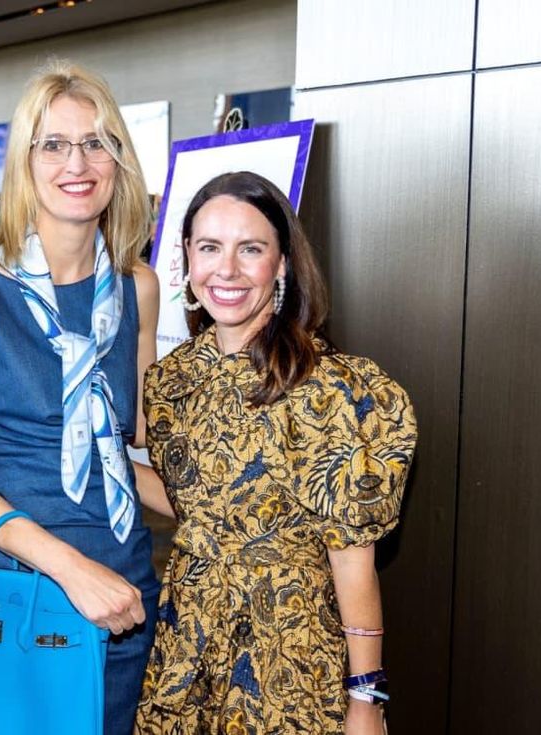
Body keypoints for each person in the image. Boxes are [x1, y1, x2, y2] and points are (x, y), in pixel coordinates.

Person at [0, 60, 171, 735]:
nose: (78, 161)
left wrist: (222, 507)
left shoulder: (138, 287)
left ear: (118, 160)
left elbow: (128, 449)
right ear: (24, 162)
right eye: (55, 144)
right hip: (19, 588)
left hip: (125, 585)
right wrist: (75, 573)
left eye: (97, 142)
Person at [134, 172, 416, 735]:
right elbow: (199, 504)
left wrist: (368, 697)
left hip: (289, 654)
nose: (227, 269)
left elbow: (352, 561)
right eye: (209, 247)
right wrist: (102, 465)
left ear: (282, 263)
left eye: (251, 249)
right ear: (187, 259)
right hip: (186, 644)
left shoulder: (328, 386)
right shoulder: (171, 381)